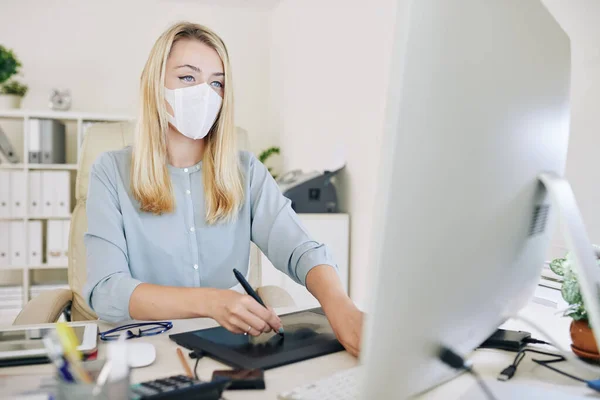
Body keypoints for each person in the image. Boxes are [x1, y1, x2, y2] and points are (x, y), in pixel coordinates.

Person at [83, 22, 363, 356]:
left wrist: (340, 306)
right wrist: (212, 302)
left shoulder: (245, 171)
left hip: (226, 349)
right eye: (187, 77)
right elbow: (107, 290)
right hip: (144, 349)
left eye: (216, 83)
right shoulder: (111, 171)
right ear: (154, 85)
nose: (205, 93)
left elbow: (301, 248)